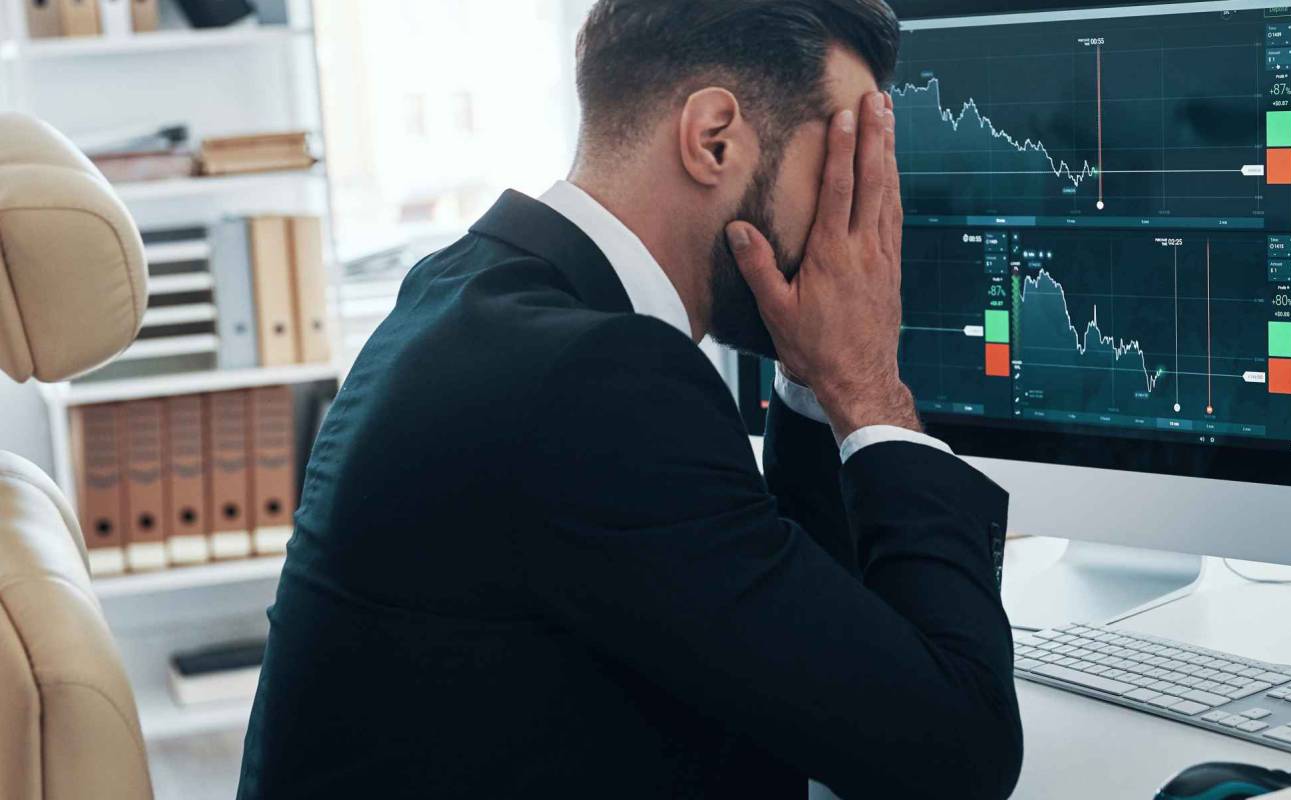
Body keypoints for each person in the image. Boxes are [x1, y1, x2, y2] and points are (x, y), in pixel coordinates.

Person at [235, 1, 1022, 798]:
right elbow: (956, 759)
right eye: (846, 163)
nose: (861, 212)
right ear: (713, 138)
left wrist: (815, 375)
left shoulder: (467, 292)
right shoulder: (597, 382)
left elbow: (816, 646)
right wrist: (866, 384)